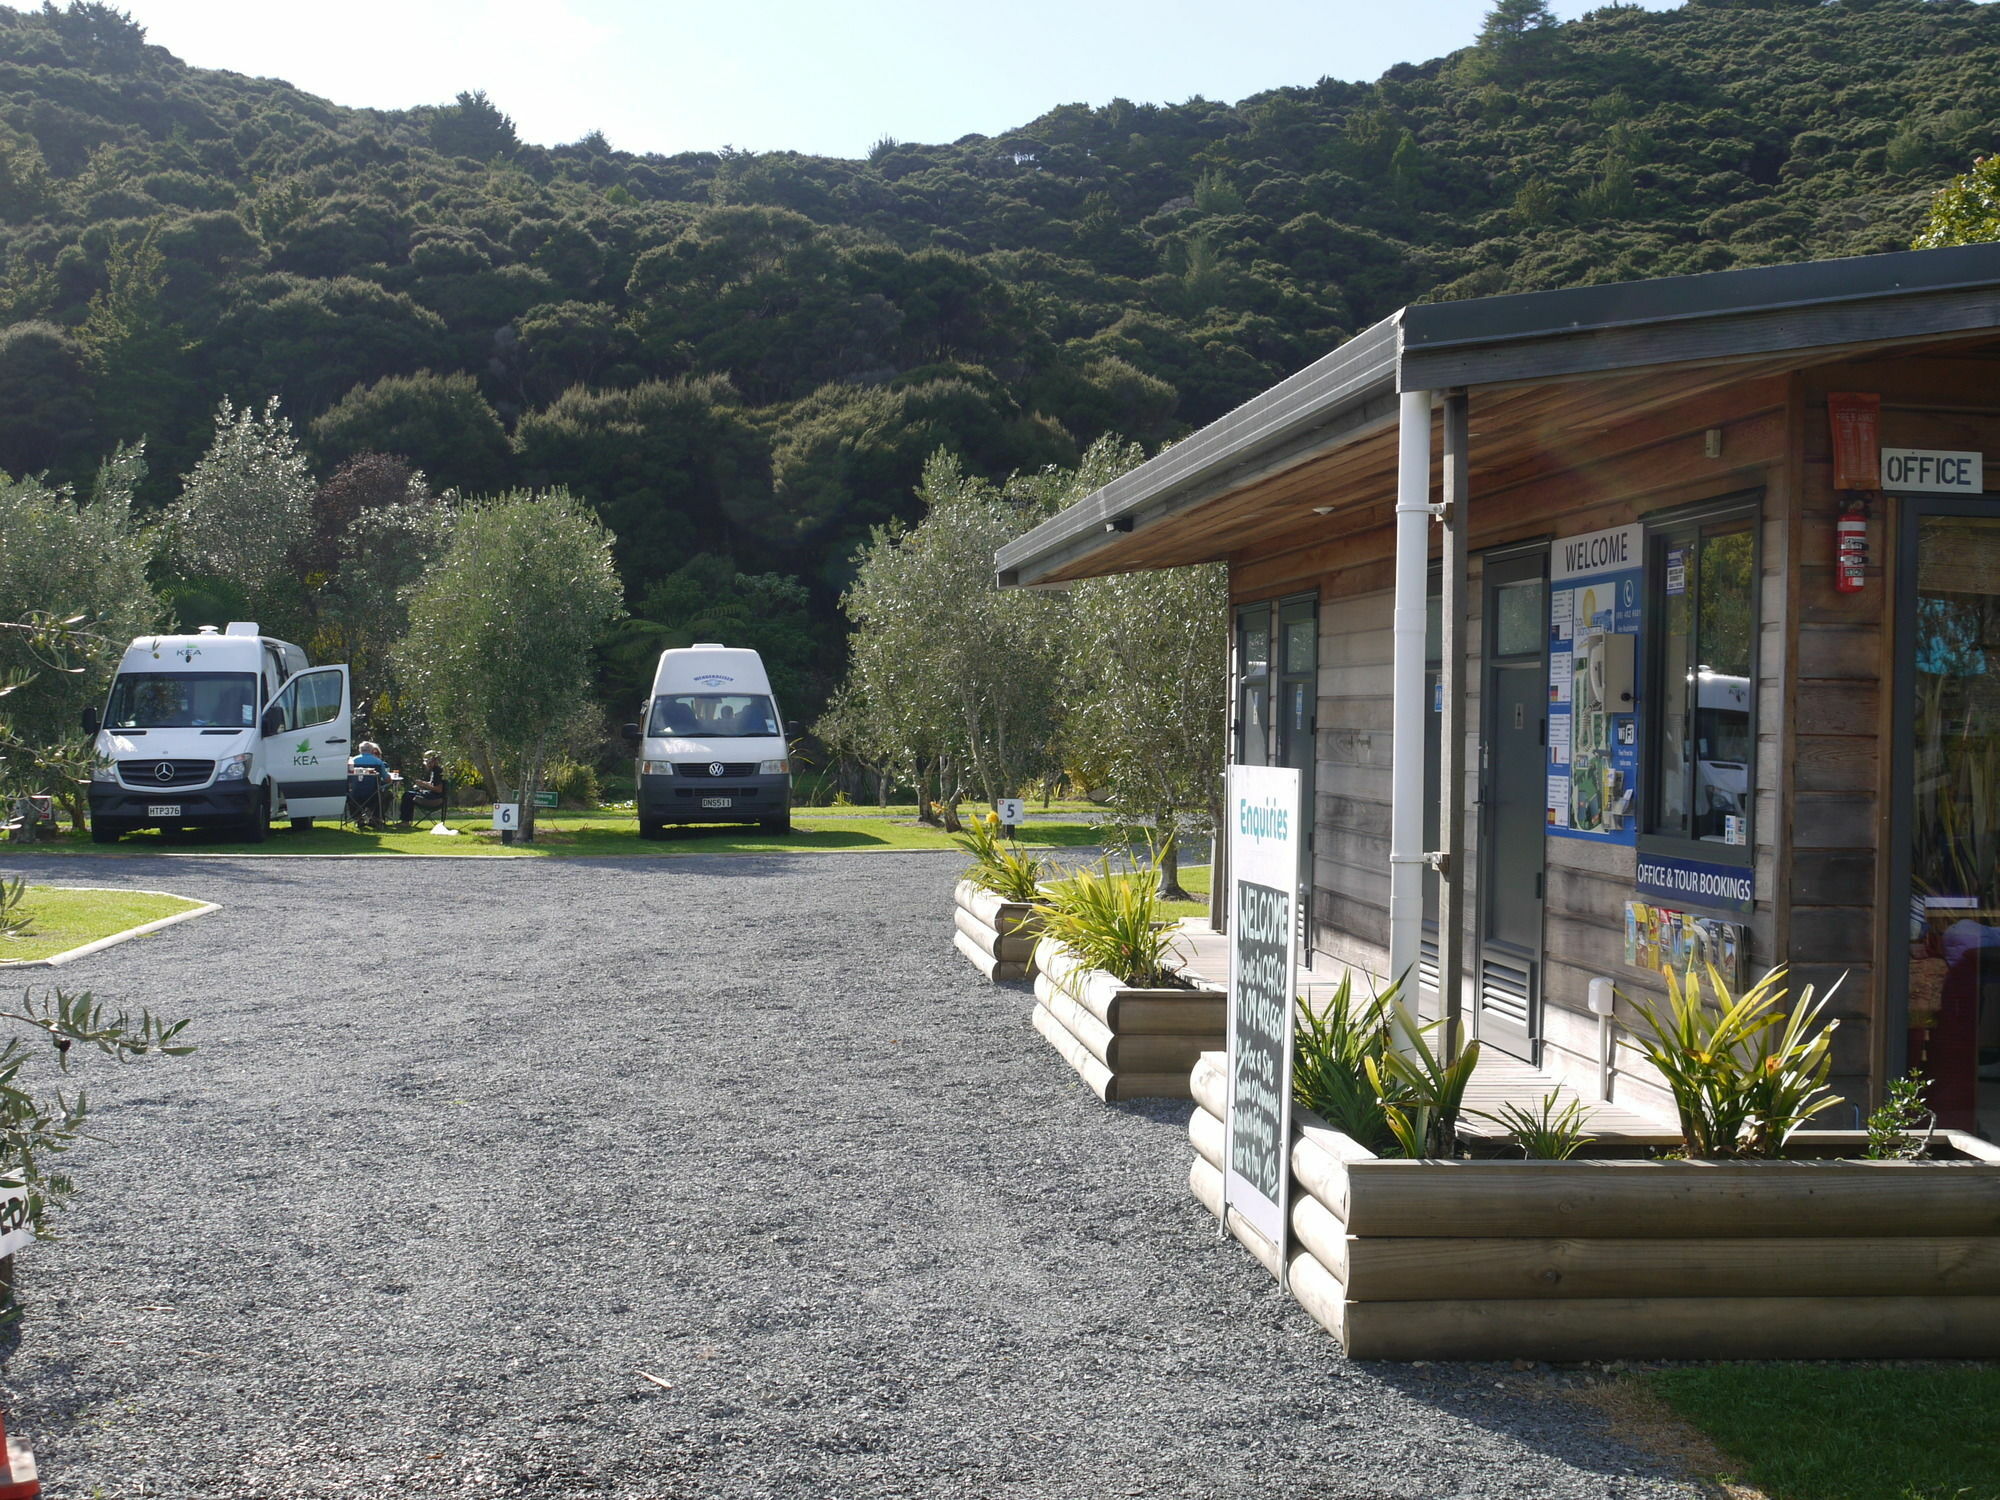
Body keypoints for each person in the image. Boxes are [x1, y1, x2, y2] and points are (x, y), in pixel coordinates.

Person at [347, 740, 389, 828]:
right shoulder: (378, 762)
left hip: (355, 795)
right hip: (373, 795)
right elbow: (387, 779)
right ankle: (375, 818)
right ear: (372, 750)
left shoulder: (352, 761)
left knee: (350, 795)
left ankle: (358, 818)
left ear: (360, 750)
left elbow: (348, 778)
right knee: (386, 795)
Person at [401, 750, 449, 827]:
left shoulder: (437, 771)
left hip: (435, 799)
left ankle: (405, 822)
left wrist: (423, 784)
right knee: (410, 793)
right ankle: (406, 821)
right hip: (433, 796)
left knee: (407, 795)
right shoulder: (434, 770)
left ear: (434, 761)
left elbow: (438, 789)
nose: (426, 763)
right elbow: (433, 784)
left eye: (428, 761)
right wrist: (423, 784)